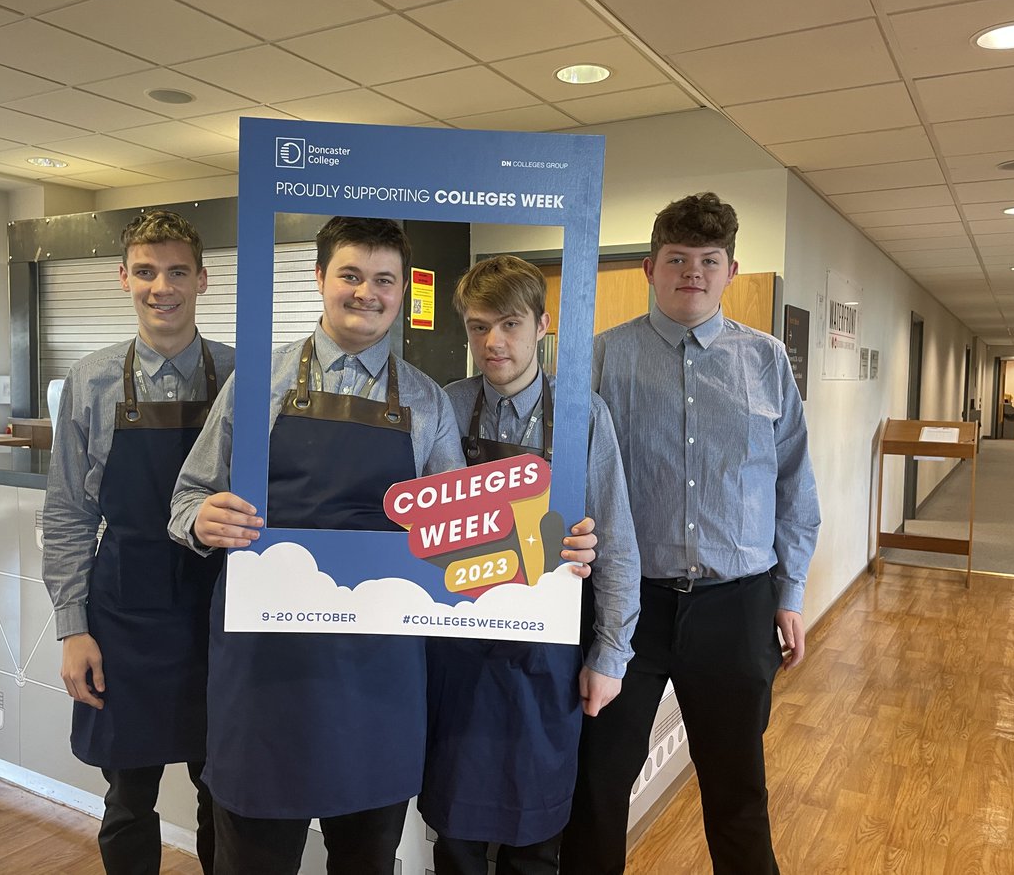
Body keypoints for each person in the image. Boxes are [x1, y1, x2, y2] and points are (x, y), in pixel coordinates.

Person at [167, 217, 600, 875]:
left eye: (383, 280)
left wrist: (558, 546)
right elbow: (187, 497)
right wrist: (203, 519)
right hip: (264, 671)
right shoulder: (260, 383)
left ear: (401, 292)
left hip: (379, 676)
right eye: (350, 275)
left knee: (367, 858)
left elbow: (465, 542)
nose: (365, 292)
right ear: (320, 279)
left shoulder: (427, 403)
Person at [560, 193, 821, 875]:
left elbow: (795, 485)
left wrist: (789, 593)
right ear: (650, 267)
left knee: (737, 792)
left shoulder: (766, 362)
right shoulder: (600, 360)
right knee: (597, 787)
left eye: (709, 261)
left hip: (737, 607)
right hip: (626, 610)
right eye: (677, 259)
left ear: (731, 270)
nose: (693, 274)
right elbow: (565, 486)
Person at [419, 256, 641, 875]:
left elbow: (617, 544)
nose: (493, 343)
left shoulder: (582, 415)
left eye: (510, 324)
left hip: (547, 658)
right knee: (456, 836)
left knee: (537, 835)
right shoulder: (445, 406)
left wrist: (610, 654)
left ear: (543, 326)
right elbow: (414, 532)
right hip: (456, 652)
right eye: (478, 326)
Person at [42, 209, 234, 874]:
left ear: (203, 279)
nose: (163, 287)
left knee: (228, 796)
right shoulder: (89, 383)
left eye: (178, 271)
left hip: (221, 616)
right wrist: (73, 629)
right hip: (122, 617)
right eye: (147, 272)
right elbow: (67, 514)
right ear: (124, 277)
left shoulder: (243, 379)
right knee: (128, 799)